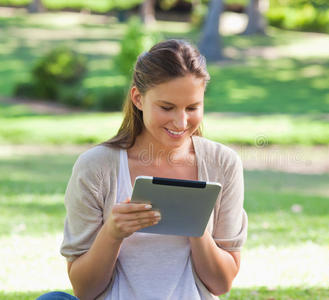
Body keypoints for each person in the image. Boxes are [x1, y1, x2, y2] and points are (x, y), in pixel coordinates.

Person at [41, 39, 247, 300]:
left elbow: (221, 284)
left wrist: (197, 228)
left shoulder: (223, 164)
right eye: (167, 107)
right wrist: (112, 233)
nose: (181, 121)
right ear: (138, 98)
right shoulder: (96, 167)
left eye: (192, 108)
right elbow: (85, 290)